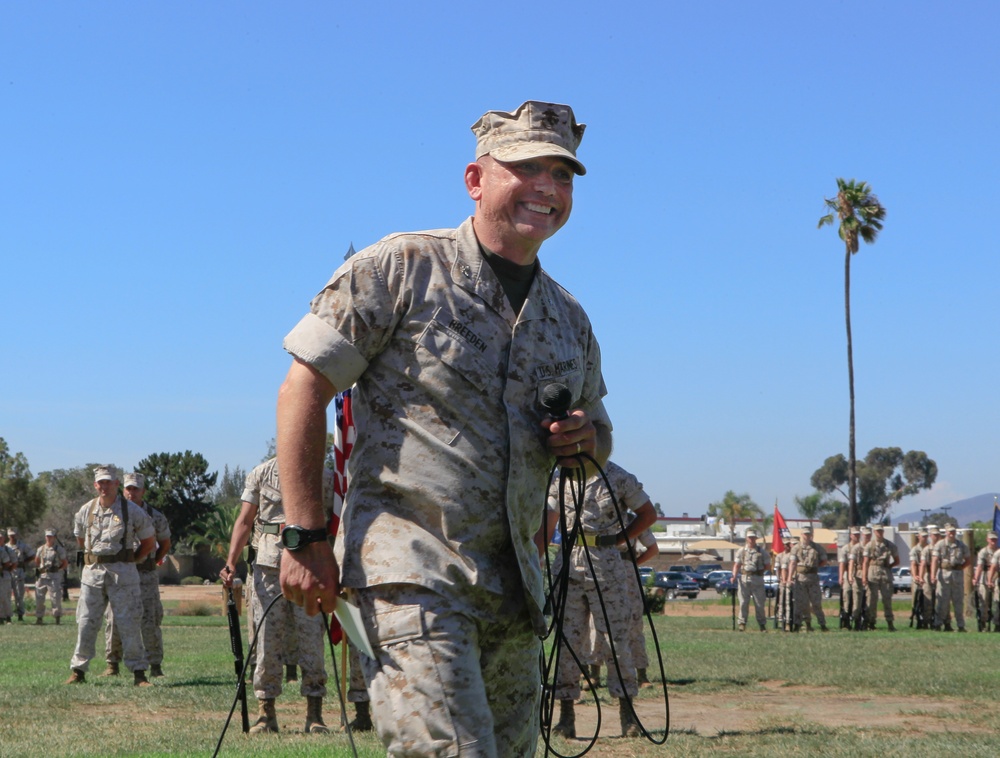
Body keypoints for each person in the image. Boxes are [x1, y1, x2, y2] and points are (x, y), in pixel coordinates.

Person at [275, 100, 612, 757]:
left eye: (563, 174)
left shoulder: (567, 316)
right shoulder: (400, 268)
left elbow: (600, 430)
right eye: (524, 168)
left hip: (515, 595)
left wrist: (583, 441)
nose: (547, 187)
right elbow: (302, 390)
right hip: (414, 577)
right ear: (475, 178)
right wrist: (304, 534)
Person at [220, 457, 331, 734]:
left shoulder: (323, 475)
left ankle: (314, 715)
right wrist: (231, 562)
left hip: (308, 566)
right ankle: (265, 713)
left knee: (311, 640)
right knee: (266, 640)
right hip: (268, 567)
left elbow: (335, 520)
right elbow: (245, 521)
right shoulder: (261, 473)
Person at [548, 462, 655, 739]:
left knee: (615, 640)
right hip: (568, 562)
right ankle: (566, 717)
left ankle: (627, 714)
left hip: (607, 563)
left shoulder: (618, 477)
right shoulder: (561, 477)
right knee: (567, 642)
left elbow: (647, 514)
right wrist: (535, 560)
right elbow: (547, 524)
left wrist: (619, 538)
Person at [67, 466, 155, 686]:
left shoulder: (132, 511)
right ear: (95, 485)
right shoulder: (86, 510)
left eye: (108, 482)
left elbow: (148, 542)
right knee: (86, 622)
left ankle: (139, 673)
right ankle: (78, 671)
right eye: (100, 483)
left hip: (123, 573)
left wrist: (131, 560)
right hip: (93, 574)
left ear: (117, 484)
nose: (104, 486)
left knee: (129, 623)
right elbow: (81, 540)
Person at [103, 473, 172, 677]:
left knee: (150, 619)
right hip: (120, 574)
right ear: (123, 489)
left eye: (136, 489)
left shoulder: (155, 516)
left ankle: (155, 665)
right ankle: (112, 664)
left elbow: (165, 543)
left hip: (145, 575)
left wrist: (150, 561)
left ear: (143, 491)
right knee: (114, 618)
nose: (131, 493)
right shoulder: (113, 513)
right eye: (128, 488)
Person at [930, 524, 970, 632]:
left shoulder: (961, 545)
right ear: (946, 532)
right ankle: (938, 624)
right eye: (949, 532)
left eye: (953, 532)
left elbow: (968, 560)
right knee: (942, 601)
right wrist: (932, 575)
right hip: (944, 575)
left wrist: (960, 567)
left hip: (957, 576)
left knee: (958, 603)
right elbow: (934, 560)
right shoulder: (940, 544)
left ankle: (961, 626)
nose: (951, 534)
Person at [788, 526, 828, 632]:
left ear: (812, 535)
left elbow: (824, 560)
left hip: (813, 578)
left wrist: (814, 567)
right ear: (801, 535)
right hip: (800, 579)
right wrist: (789, 578)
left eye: (808, 534)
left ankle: (822, 624)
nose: (807, 536)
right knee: (801, 603)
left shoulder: (817, 548)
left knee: (816, 603)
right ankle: (799, 624)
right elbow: (792, 563)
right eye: (805, 534)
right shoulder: (796, 548)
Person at [862, 524, 899, 631]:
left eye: (881, 531)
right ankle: (871, 622)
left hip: (885, 573)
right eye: (877, 531)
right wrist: (864, 576)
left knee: (887, 599)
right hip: (872, 573)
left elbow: (897, 560)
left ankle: (890, 623)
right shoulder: (869, 545)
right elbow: (865, 562)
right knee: (872, 599)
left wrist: (889, 566)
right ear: (874, 532)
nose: (879, 533)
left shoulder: (890, 545)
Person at [732, 528, 770, 632]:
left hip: (757, 579)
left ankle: (762, 625)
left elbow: (767, 566)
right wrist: (734, 576)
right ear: (746, 538)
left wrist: (759, 572)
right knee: (743, 602)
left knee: (759, 604)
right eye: (750, 537)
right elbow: (737, 565)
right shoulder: (741, 551)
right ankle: (742, 623)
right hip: (744, 579)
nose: (751, 539)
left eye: (753, 537)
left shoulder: (762, 552)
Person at [34, 529, 68, 624]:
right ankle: (39, 618)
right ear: (45, 537)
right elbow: (36, 561)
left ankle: (57, 618)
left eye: (51, 536)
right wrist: (41, 569)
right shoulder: (41, 549)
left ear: (54, 537)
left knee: (55, 598)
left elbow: (65, 562)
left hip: (54, 576)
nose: (49, 538)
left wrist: (58, 569)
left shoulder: (59, 549)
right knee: (39, 598)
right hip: (43, 576)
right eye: (47, 536)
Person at [6, 527, 35, 622]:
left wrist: (24, 562)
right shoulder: (5, 547)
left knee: (19, 595)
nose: (12, 537)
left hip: (19, 572)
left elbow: (32, 555)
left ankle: (20, 615)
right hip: (8, 572)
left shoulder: (22, 545)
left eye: (14, 535)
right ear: (8, 536)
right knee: (7, 595)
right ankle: (8, 616)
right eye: (11, 535)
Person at [973, 531, 998, 631]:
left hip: (996, 576)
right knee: (984, 601)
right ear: (987, 540)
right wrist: (976, 578)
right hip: (984, 575)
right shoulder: (983, 552)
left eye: (995, 539)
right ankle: (983, 623)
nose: (993, 541)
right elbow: (979, 567)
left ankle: (997, 623)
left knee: (997, 601)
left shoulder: (998, 551)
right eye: (991, 539)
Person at [839, 527, 861, 629]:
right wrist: (841, 577)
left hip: (859, 573)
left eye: (857, 534)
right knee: (846, 593)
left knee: (858, 596)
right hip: (848, 572)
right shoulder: (845, 548)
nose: (856, 536)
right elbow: (842, 564)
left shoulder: (862, 547)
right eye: (854, 534)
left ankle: (857, 618)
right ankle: (846, 618)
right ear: (850, 535)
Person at [910, 527, 930, 629]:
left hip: (928, 575)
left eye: (926, 536)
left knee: (929, 600)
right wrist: (915, 576)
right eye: (923, 536)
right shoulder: (915, 549)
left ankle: (928, 619)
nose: (925, 538)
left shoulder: (930, 548)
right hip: (918, 575)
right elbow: (913, 564)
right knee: (916, 599)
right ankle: (917, 618)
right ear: (918, 537)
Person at [0, 531, 14, 623]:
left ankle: (8, 617)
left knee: (4, 597)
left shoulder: (2, 551)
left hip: (3, 576)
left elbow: (7, 563)